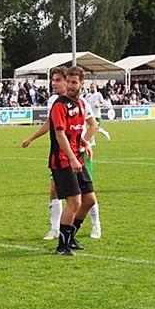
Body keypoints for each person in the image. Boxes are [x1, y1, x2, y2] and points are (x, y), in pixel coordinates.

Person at [22, 67, 103, 240]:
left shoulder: (82, 103)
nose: (55, 83)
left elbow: (93, 125)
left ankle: (95, 225)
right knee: (59, 192)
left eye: (58, 79)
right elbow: (53, 127)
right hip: (63, 156)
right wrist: (32, 138)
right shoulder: (55, 102)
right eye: (54, 80)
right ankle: (57, 231)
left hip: (77, 154)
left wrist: (84, 143)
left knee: (86, 195)